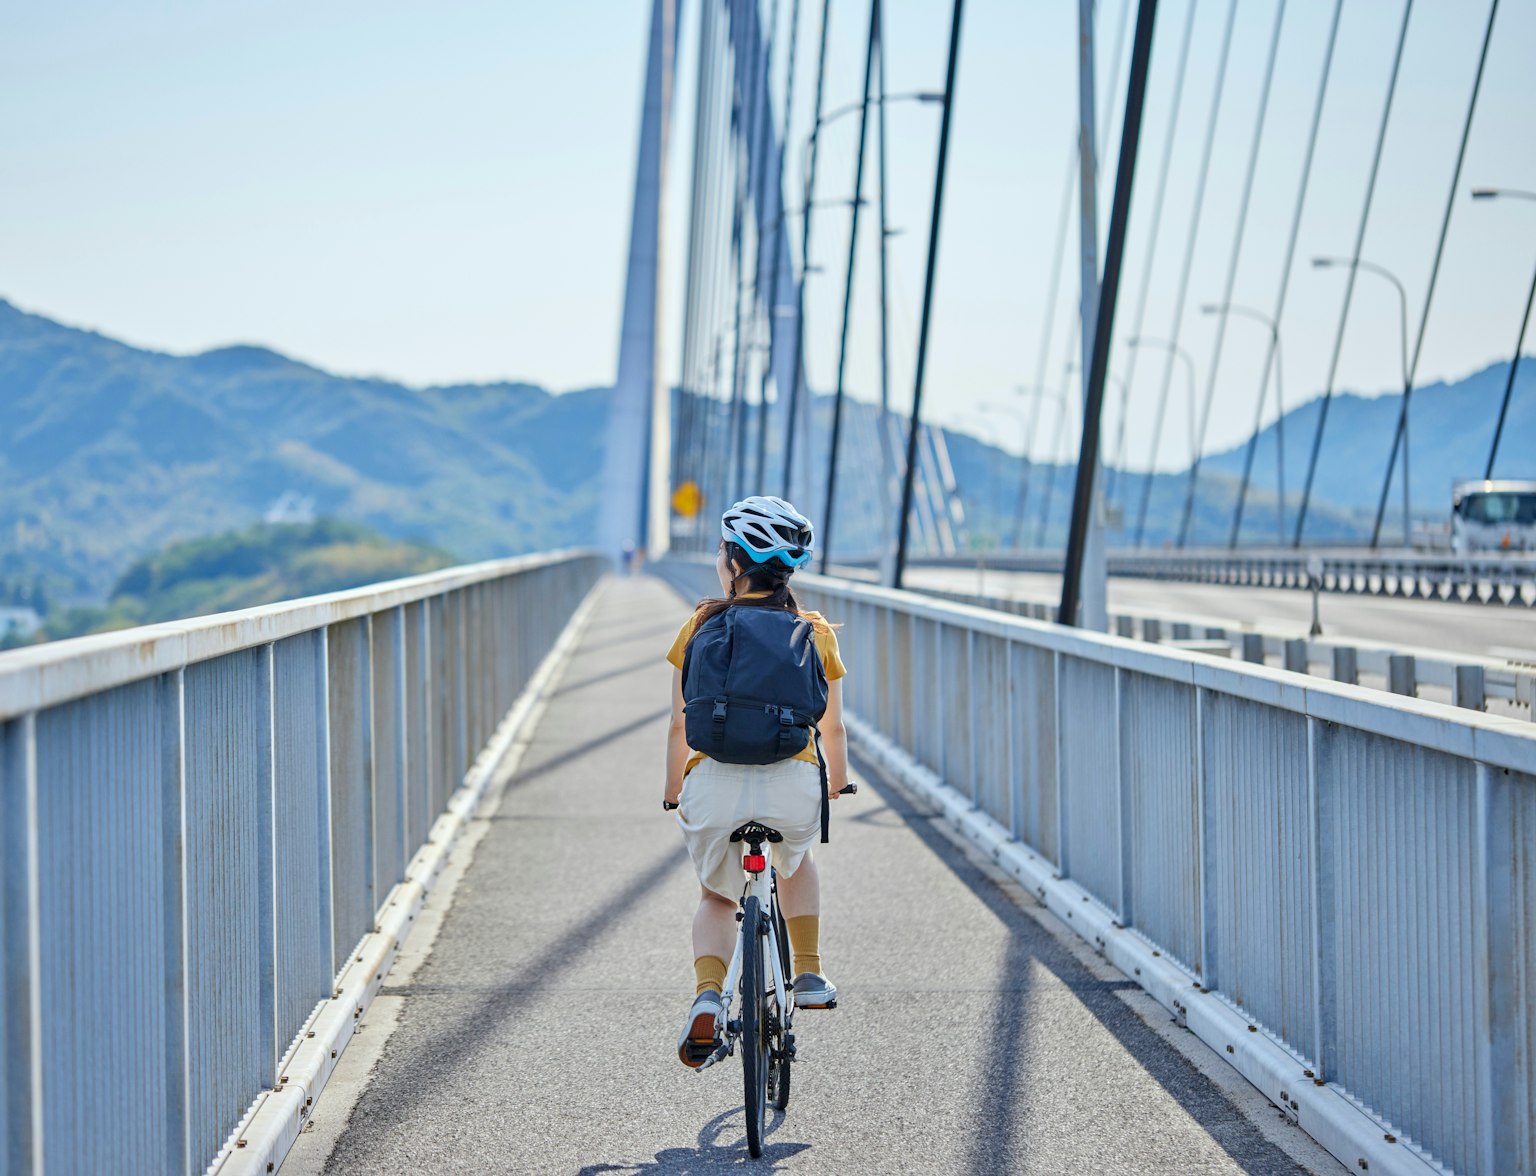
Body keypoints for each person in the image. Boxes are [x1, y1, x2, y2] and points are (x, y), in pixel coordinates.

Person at [664, 495, 851, 1068]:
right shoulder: (814, 632)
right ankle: (811, 973)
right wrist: (836, 786)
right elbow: (833, 728)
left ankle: (708, 995)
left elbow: (679, 726)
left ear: (732, 564)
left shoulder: (699, 624)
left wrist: (674, 792)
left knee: (717, 895)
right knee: (795, 862)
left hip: (714, 786)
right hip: (791, 786)